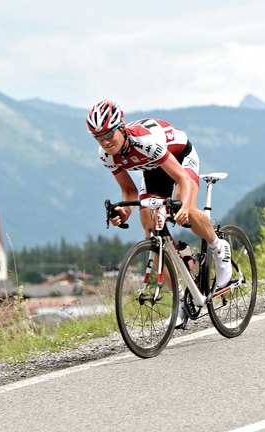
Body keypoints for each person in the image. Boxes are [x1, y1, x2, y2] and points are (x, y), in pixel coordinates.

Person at [87, 98, 232, 328]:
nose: (105, 142)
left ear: (120, 128)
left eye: (108, 135)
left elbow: (181, 178)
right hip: (152, 168)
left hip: (180, 157)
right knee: (150, 229)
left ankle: (218, 246)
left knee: (185, 210)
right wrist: (123, 213)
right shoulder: (106, 155)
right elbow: (128, 190)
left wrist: (183, 206)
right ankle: (183, 297)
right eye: (98, 137)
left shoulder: (144, 141)